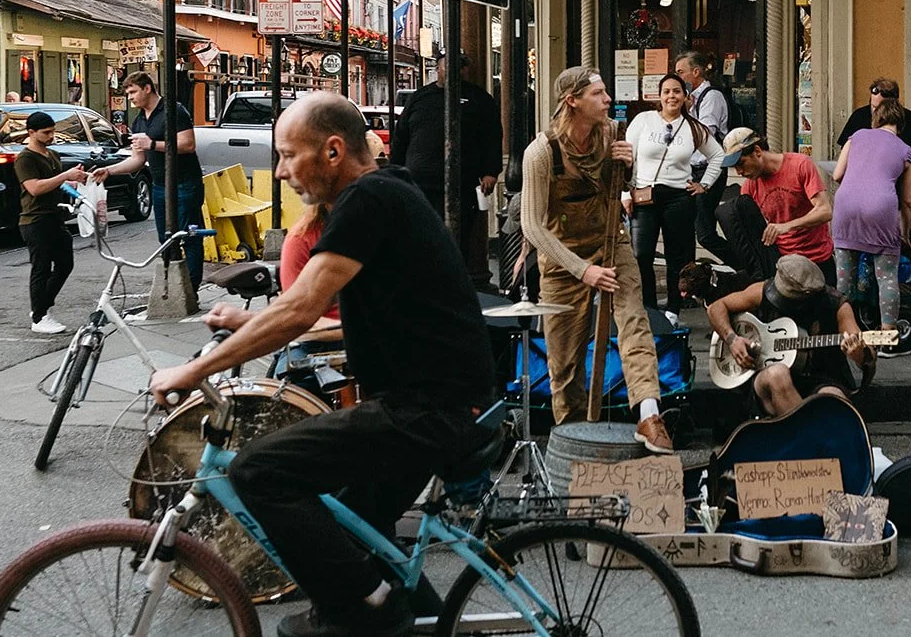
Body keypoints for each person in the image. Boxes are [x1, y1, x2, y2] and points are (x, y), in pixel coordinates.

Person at [148, 93, 496, 637]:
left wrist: (194, 371)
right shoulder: (389, 190)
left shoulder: (368, 200)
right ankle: (405, 617)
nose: (282, 171)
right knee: (355, 529)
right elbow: (326, 312)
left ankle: (368, 608)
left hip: (423, 409)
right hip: (437, 403)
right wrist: (249, 325)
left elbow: (301, 305)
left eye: (288, 155)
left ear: (333, 151)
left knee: (257, 472)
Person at [519, 66, 673, 454]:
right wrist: (581, 270)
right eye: (598, 94)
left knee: (634, 322)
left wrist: (626, 167)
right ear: (572, 101)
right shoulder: (541, 152)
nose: (608, 100)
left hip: (610, 244)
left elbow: (619, 193)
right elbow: (533, 227)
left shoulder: (609, 133)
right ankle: (571, 440)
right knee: (565, 364)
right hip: (562, 259)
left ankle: (649, 415)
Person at [706, 254, 868, 416]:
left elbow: (865, 354)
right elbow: (716, 308)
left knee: (835, 400)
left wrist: (858, 353)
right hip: (770, 376)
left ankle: (805, 434)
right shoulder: (762, 290)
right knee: (777, 374)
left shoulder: (837, 305)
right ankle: (809, 434)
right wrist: (732, 339)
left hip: (822, 377)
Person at [391, 54, 503, 288]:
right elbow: (401, 138)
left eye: (459, 69)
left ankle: (451, 287)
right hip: (419, 184)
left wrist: (491, 171)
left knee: (455, 240)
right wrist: (395, 173)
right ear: (437, 70)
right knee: (419, 237)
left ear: (465, 72)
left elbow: (492, 137)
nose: (453, 74)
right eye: (447, 68)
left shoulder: (479, 99)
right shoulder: (420, 97)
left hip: (461, 184)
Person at [91, 71, 205, 293]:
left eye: (133, 91)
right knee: (165, 239)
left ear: (147, 88)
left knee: (189, 235)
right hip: (160, 185)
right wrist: (109, 170)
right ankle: (172, 285)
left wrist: (153, 143)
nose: (130, 98)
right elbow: (137, 160)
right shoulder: (139, 120)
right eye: (127, 93)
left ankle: (191, 289)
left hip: (184, 182)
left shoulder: (174, 110)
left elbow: (188, 144)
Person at [627, 72, 725, 313]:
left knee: (677, 258)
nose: (672, 96)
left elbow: (718, 155)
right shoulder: (644, 120)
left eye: (677, 91)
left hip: (679, 197)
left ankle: (673, 310)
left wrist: (705, 184)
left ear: (685, 96)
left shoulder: (692, 127)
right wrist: (625, 192)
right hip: (645, 195)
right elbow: (627, 157)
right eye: (667, 92)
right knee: (641, 255)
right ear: (659, 96)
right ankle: (648, 309)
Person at [830, 96, 911, 352]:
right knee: (886, 276)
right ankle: (888, 337)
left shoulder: (856, 137)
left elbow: (837, 174)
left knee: (844, 277)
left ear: (876, 119)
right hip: (880, 210)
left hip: (846, 208)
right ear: (900, 124)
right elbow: (908, 200)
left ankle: (843, 333)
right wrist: (904, 231)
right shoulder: (905, 151)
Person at [714, 127, 836, 291]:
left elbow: (825, 211)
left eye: (741, 164)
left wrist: (787, 226)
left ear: (757, 151)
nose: (739, 172)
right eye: (735, 168)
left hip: (817, 257)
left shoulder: (799, 164)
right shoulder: (750, 187)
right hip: (783, 262)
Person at [15, 110, 86, 334]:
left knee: (66, 263)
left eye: (53, 131)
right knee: (41, 268)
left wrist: (73, 185)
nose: (51, 136)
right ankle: (39, 317)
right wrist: (65, 176)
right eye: (46, 133)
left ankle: (42, 305)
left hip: (55, 216)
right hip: (35, 220)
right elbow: (35, 188)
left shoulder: (52, 154)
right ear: (31, 133)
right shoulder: (25, 158)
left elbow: (55, 184)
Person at [674, 50, 733, 265]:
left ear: (696, 72)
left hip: (709, 169)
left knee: (705, 233)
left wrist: (686, 112)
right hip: (690, 170)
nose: (677, 77)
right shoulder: (689, 100)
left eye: (681, 72)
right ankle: (687, 274)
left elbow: (703, 135)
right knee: (686, 228)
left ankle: (746, 265)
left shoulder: (712, 97)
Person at [835, 77, 911, 166]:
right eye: (873, 107)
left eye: (880, 108)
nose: (876, 112)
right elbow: (844, 151)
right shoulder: (859, 116)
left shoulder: (909, 118)